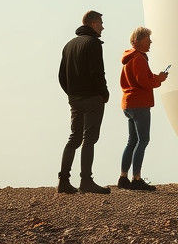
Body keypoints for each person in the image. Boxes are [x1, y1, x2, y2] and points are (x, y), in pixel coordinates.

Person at [57, 10, 110, 194]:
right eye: (101, 22)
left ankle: (63, 181)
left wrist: (72, 93)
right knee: (89, 139)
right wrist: (104, 93)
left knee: (74, 138)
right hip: (92, 98)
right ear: (93, 23)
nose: (103, 26)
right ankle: (86, 181)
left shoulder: (69, 45)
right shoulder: (94, 44)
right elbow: (98, 73)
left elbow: (61, 76)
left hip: (75, 98)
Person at [117, 26, 169, 191]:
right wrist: (159, 80)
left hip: (129, 102)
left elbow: (142, 78)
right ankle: (137, 178)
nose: (150, 42)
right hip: (140, 103)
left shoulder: (129, 58)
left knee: (131, 141)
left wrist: (156, 77)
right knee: (143, 140)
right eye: (148, 40)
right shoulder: (139, 58)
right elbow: (144, 82)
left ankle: (123, 177)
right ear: (138, 41)